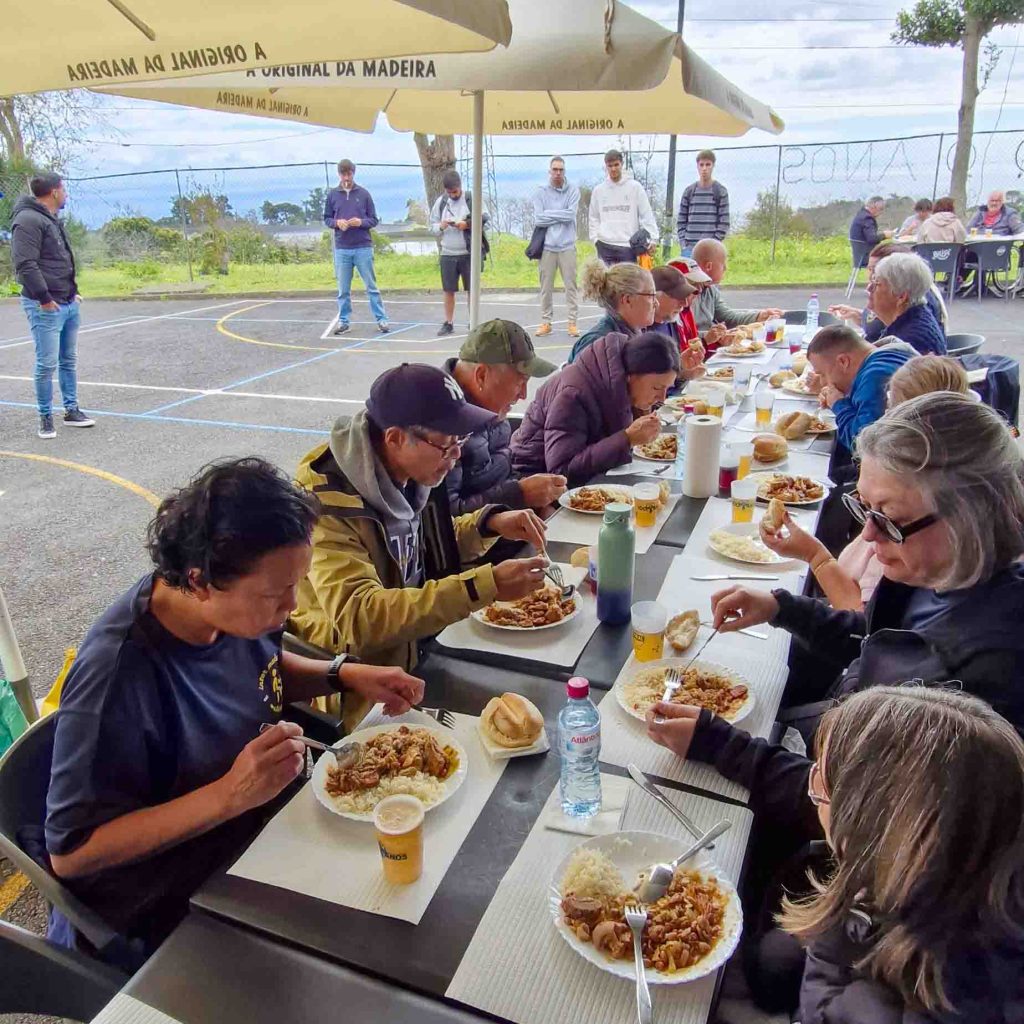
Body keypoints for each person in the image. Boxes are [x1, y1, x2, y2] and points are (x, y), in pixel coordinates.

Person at [43, 457, 426, 961]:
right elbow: (72, 853)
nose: (292, 606)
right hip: (173, 897)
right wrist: (229, 795)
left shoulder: (235, 611)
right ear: (200, 581)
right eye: (276, 593)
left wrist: (343, 673)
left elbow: (258, 668)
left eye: (297, 584)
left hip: (257, 830)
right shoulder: (118, 677)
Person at [645, 686, 1024, 1022]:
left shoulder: (890, 1006)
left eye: (824, 785)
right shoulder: (961, 857)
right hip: (850, 947)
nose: (813, 792)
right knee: (774, 959)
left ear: (873, 827)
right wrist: (717, 742)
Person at [710, 392, 1024, 736]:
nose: (869, 534)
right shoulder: (932, 571)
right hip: (843, 707)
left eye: (888, 517)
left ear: (968, 519)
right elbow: (873, 640)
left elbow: (864, 768)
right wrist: (781, 608)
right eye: (865, 507)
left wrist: (727, 746)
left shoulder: (987, 673)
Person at [290, 363, 548, 704]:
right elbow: (359, 616)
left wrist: (487, 524)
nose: (456, 455)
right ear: (396, 438)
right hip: (362, 689)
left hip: (420, 653)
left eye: (460, 440)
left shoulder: (413, 472)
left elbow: (415, 548)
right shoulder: (325, 502)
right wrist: (485, 585)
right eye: (446, 443)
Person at [760, 355, 970, 611]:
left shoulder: (911, 522)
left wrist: (814, 556)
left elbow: (861, 618)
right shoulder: (929, 484)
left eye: (890, 407)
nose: (883, 416)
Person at [511, 331, 679, 485]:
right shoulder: (573, 394)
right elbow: (562, 471)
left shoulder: (616, 382)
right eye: (657, 388)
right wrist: (626, 439)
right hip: (532, 478)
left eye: (667, 388)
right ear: (630, 376)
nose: (662, 398)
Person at [442, 319, 566, 515]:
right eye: (520, 382)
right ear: (481, 376)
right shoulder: (438, 423)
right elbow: (446, 518)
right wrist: (519, 495)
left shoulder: (494, 407)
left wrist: (538, 499)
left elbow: (502, 478)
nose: (523, 395)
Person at [11, 172, 93, 440]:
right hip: (45, 306)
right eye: (63, 189)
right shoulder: (28, 219)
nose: (65, 194)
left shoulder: (51, 219)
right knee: (46, 364)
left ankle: (72, 410)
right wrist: (45, 298)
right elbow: (25, 264)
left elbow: (61, 259)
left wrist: (74, 292)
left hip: (67, 301)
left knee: (68, 360)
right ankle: (45, 417)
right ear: (54, 192)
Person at [806, 325, 913, 469]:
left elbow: (861, 444)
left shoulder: (876, 377)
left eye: (823, 374)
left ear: (843, 361)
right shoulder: (888, 354)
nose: (823, 383)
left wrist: (839, 404)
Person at [828, 241, 947, 341]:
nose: (871, 278)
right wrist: (857, 314)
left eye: (876, 272)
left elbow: (878, 330)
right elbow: (876, 323)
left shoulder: (916, 305)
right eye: (870, 269)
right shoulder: (903, 300)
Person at [323, 159, 389, 336]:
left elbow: (373, 220)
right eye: (343, 174)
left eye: (349, 174)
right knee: (343, 290)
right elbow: (327, 218)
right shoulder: (332, 195)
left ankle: (381, 319)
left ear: (353, 173)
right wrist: (337, 223)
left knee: (371, 287)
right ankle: (344, 321)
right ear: (339, 175)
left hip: (363, 247)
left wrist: (360, 222)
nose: (346, 178)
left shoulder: (364, 194)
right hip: (342, 248)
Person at [690, 238, 783, 344]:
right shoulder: (686, 295)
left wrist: (758, 316)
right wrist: (710, 337)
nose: (726, 268)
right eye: (723, 264)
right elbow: (681, 335)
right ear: (708, 266)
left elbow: (728, 318)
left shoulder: (710, 289)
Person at [429, 170, 488, 336]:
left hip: (469, 253)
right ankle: (448, 323)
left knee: (472, 289)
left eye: (455, 192)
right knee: (448, 290)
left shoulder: (472, 199)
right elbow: (432, 226)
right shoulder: (441, 202)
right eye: (449, 193)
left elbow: (485, 218)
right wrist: (441, 226)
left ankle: (473, 322)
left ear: (460, 186)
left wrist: (466, 224)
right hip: (448, 253)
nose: (453, 195)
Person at [567, 260, 656, 363]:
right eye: (651, 296)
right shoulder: (597, 345)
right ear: (627, 300)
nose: (656, 303)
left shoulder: (632, 334)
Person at [533, 156, 580, 338]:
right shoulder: (540, 192)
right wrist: (560, 214)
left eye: (561, 170)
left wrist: (549, 214)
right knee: (546, 287)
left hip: (567, 246)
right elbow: (539, 219)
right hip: (547, 247)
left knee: (571, 286)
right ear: (549, 171)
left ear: (564, 171)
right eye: (555, 169)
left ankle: (572, 323)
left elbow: (570, 215)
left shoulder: (573, 190)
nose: (558, 173)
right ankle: (546, 322)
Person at [588, 149, 658, 266]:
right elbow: (593, 217)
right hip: (604, 245)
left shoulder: (635, 187)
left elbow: (646, 214)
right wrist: (595, 239)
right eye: (610, 166)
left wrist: (653, 238)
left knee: (628, 278)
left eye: (616, 165)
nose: (613, 169)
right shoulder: (598, 191)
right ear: (606, 166)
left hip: (627, 247)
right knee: (606, 278)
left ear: (622, 164)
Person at [868, 252, 947, 355]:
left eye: (876, 283)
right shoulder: (912, 318)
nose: (869, 288)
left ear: (901, 297)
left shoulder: (909, 342)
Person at [676, 149, 730, 256]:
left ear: (713, 166)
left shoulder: (720, 191)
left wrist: (713, 245)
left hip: (710, 251)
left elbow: (724, 223)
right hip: (689, 249)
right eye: (701, 165)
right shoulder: (689, 191)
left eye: (708, 164)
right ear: (697, 166)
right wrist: (683, 245)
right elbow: (681, 221)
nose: (704, 168)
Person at [647, 265, 703, 366]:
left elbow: (672, 371)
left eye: (685, 296)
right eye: (678, 296)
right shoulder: (640, 331)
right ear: (654, 296)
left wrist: (685, 368)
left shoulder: (671, 323)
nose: (685, 303)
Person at [667, 256, 713, 346]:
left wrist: (717, 341)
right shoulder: (667, 317)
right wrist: (706, 341)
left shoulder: (686, 311)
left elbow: (693, 348)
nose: (699, 290)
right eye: (693, 285)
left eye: (700, 285)